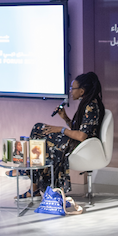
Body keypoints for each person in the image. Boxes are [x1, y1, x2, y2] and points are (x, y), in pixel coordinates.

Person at [24, 71, 104, 209]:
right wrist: (65, 118)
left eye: (73, 88)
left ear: (82, 91)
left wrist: (60, 129)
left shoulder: (91, 106)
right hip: (76, 142)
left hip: (81, 146)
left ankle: (32, 178)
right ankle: (34, 180)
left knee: (40, 132)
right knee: (38, 129)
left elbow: (82, 136)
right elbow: (78, 129)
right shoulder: (86, 103)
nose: (70, 91)